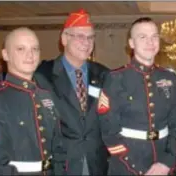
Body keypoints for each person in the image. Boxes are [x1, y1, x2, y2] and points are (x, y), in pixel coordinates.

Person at [96, 17, 176, 175]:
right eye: (142, 37)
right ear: (131, 43)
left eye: (154, 36)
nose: (150, 42)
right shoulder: (115, 78)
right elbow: (109, 131)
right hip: (126, 164)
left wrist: (166, 162)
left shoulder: (169, 78)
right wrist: (139, 170)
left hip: (163, 162)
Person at [0, 27, 66, 175]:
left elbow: (58, 147)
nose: (30, 55)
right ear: (6, 55)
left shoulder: (46, 95)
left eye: (35, 49)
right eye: (21, 49)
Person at [36, 9, 109, 175]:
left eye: (90, 37)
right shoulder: (42, 75)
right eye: (80, 36)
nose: (87, 42)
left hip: (97, 164)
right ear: (64, 39)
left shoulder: (104, 74)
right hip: (61, 165)